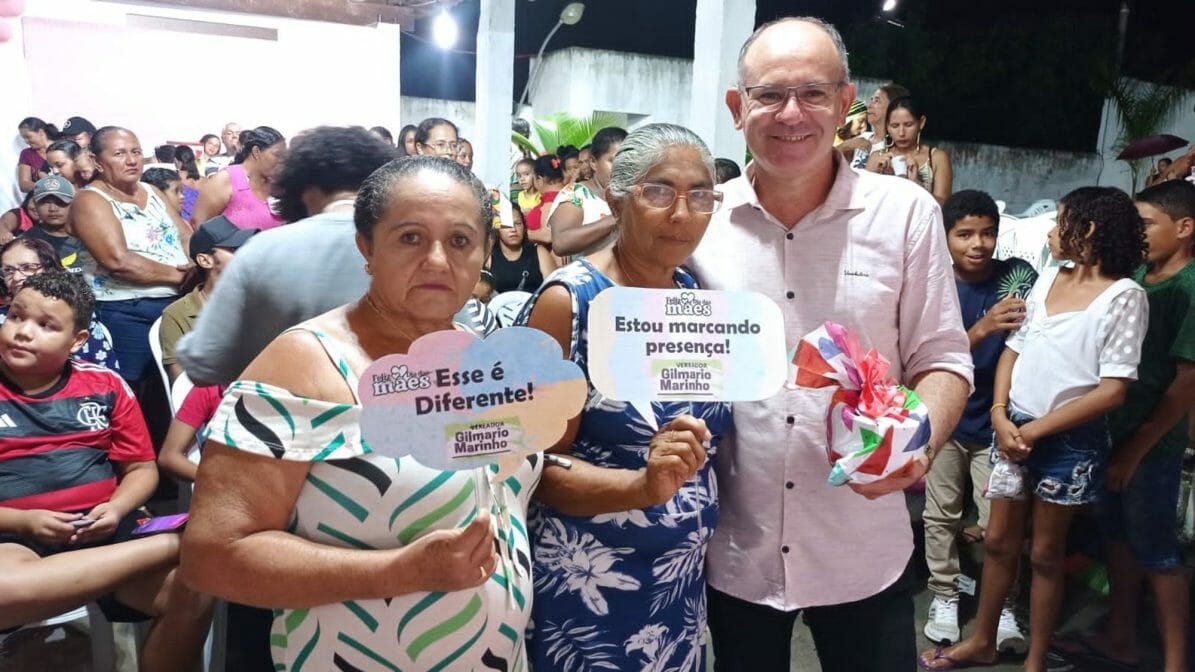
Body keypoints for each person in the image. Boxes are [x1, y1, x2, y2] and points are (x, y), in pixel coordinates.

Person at [685, 18, 973, 671]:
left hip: (861, 546)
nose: (791, 114)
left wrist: (915, 439)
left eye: (813, 94)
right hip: (735, 547)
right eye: (768, 95)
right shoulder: (698, 224)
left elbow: (942, 359)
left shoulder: (905, 213)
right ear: (737, 108)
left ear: (846, 105)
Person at [181, 155, 538, 670]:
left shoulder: (474, 353)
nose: (438, 260)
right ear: (366, 248)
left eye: (460, 240)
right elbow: (212, 559)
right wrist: (399, 572)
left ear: (483, 250)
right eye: (411, 238)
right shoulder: (303, 365)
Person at [519, 122, 731, 672]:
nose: (682, 214)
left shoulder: (694, 298)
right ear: (616, 197)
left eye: (700, 196)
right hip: (588, 590)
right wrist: (640, 486)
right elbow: (532, 465)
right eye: (658, 191)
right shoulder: (569, 303)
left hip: (678, 589)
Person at [920, 186, 1148, 672]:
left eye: (1059, 221)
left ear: (1085, 230)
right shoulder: (1047, 278)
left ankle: (1036, 659)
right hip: (1014, 428)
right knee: (1000, 542)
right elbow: (1013, 350)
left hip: (1066, 442)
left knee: (1045, 553)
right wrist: (1002, 413)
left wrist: (1035, 429)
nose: (1049, 232)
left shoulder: (1125, 297)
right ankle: (983, 638)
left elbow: (1112, 390)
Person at [0, 270, 211, 671]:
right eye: (15, 316)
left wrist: (116, 509)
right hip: (12, 538)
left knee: (194, 588)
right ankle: (171, 543)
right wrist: (26, 521)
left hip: (105, 530)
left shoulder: (105, 385)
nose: (23, 332)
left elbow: (142, 469)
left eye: (46, 325)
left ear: (77, 341)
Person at [1051, 180, 1195, 672]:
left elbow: (1185, 384)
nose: (1137, 233)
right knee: (1117, 539)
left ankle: (1176, 661)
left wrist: (1138, 448)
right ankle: (1120, 636)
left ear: (1184, 227)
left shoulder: (1189, 287)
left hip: (1152, 444)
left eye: (1146, 224)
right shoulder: (1135, 274)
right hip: (1110, 432)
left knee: (1157, 551)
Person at [922, 190, 1035, 649]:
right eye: (964, 233)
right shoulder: (933, 284)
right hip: (947, 417)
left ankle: (1004, 606)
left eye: (988, 232)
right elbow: (928, 355)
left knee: (1001, 525)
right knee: (940, 516)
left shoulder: (1019, 277)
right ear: (945, 236)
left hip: (1001, 423)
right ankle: (944, 595)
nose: (978, 243)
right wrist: (984, 327)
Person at [69, 125, 190, 388]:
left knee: (174, 388)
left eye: (136, 152)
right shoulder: (90, 200)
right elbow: (117, 261)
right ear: (96, 161)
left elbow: (185, 235)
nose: (132, 160)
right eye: (120, 153)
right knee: (131, 388)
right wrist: (185, 276)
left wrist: (194, 265)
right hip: (126, 310)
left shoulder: (153, 192)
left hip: (175, 303)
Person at [159, 215, 256, 385]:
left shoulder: (258, 303)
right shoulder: (178, 314)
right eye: (234, 250)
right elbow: (182, 386)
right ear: (205, 260)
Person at [0, 237, 119, 372]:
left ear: (50, 269)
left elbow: (104, 373)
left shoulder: (76, 316)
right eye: (8, 270)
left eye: (27, 267)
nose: (16, 277)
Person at [546, 127, 627, 257]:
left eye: (627, 162)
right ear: (594, 163)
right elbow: (561, 243)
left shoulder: (633, 193)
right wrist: (617, 218)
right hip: (592, 276)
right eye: (613, 161)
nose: (622, 168)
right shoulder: (575, 194)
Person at [190, 126, 286, 230]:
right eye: (277, 155)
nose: (282, 161)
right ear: (256, 152)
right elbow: (198, 223)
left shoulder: (278, 186)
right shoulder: (226, 179)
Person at [866, 96, 954, 205]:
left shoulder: (936, 158)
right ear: (887, 126)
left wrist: (916, 183)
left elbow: (943, 206)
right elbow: (863, 201)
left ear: (921, 122)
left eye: (908, 125)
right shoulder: (877, 157)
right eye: (895, 126)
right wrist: (874, 174)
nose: (901, 133)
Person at [840, 83, 910, 169]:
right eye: (871, 100)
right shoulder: (863, 138)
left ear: (894, 108)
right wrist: (845, 146)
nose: (869, 106)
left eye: (877, 101)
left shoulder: (898, 150)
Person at [487, 203, 553, 294]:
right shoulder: (489, 256)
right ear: (496, 229)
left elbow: (555, 292)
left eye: (518, 224)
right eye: (506, 225)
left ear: (524, 227)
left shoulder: (540, 253)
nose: (513, 229)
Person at [24, 176, 85, 269]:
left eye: (60, 202)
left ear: (73, 203)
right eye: (45, 202)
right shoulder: (26, 243)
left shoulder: (89, 234)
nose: (53, 209)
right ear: (35, 205)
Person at [524, 154, 566, 246]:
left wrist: (521, 233)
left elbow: (547, 235)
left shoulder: (552, 200)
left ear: (540, 179)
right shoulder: (562, 195)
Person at [16, 117, 58, 193]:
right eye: (24, 138)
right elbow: (24, 184)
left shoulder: (63, 146)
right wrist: (47, 187)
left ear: (41, 132)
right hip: (39, 199)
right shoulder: (27, 154)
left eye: (28, 137)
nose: (26, 141)